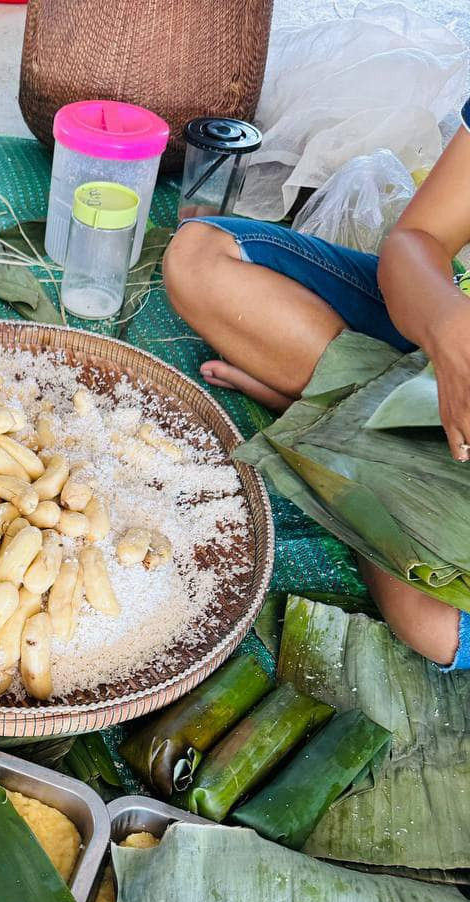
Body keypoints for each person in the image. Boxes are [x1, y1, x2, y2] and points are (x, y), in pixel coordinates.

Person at [163, 98, 470, 672]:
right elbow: (419, 239)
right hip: (433, 348)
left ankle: (323, 420)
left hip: (450, 469)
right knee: (200, 257)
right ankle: (340, 415)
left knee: (436, 628)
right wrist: (450, 330)